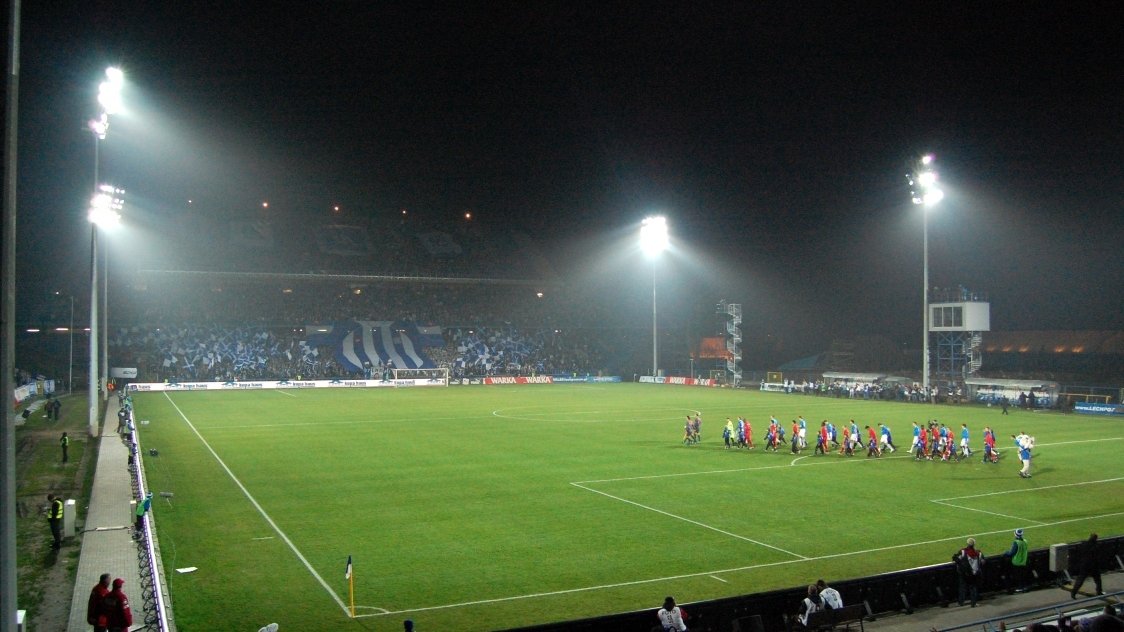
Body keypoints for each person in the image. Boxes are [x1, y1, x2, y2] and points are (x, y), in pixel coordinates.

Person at [1071, 532, 1103, 598]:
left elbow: (1079, 552)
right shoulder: (1097, 546)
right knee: (1098, 580)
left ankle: (1074, 592)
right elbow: (1098, 555)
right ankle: (1099, 591)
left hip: (1085, 565)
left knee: (1080, 579)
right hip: (1094, 565)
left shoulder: (1084, 544)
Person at [954, 537, 984, 607]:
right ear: (974, 544)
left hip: (964, 573)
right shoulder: (978, 553)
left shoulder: (963, 551)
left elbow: (956, 559)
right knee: (973, 588)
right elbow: (983, 562)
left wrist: (961, 566)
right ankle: (973, 603)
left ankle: (961, 602)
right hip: (974, 574)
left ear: (967, 544)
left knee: (962, 587)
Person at [1003, 528, 1030, 593]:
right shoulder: (1025, 541)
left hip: (1017, 562)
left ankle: (1020, 588)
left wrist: (1006, 552)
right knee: (1023, 575)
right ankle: (1025, 587)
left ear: (1015, 534)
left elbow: (1011, 553)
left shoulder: (1016, 542)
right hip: (1024, 561)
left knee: (1018, 576)